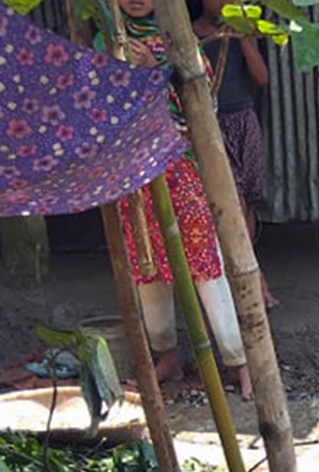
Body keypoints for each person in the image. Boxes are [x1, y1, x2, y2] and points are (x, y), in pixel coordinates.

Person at [112, 0, 253, 400]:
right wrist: (126, 74)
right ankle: (167, 357)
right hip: (133, 173)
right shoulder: (108, 42)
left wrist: (154, 75)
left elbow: (204, 102)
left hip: (179, 166)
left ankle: (239, 361)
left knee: (206, 264)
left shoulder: (180, 39)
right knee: (148, 268)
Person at [193, 0, 278, 310]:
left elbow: (262, 78)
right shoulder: (193, 35)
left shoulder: (245, 33)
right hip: (213, 127)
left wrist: (244, 38)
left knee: (247, 203)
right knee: (235, 202)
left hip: (244, 120)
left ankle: (247, 272)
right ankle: (255, 283)